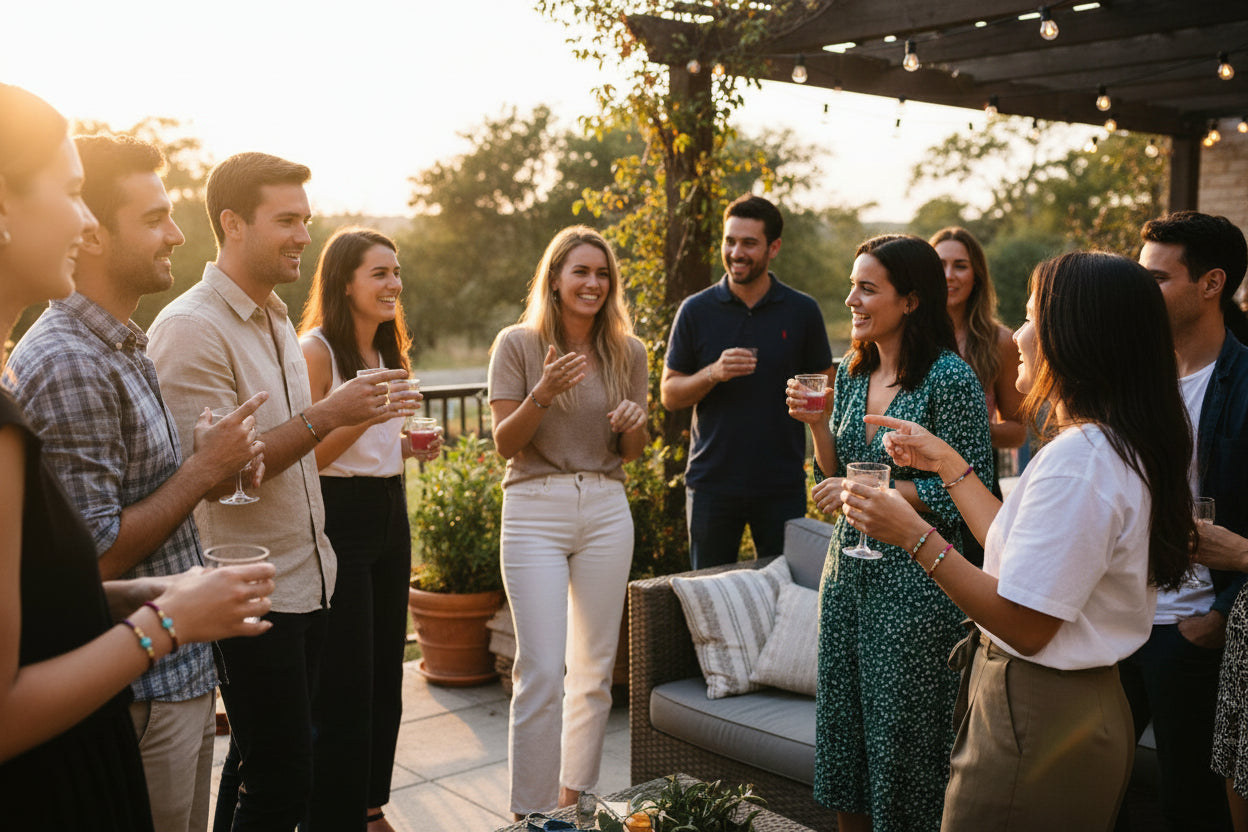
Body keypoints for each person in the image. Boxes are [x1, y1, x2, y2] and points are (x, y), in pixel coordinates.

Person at [0, 83, 274, 831]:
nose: (176, 235)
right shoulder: (67, 362)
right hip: (137, 693)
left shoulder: (124, 343)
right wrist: (167, 617)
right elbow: (90, 556)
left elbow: (50, 574)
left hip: (169, 675)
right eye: (74, 194)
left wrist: (179, 590)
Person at [843, 251, 1194, 831]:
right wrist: (947, 462)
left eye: (1031, 316)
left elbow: (1026, 624)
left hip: (1041, 712)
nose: (1019, 335)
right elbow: (1018, 550)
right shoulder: (1109, 443)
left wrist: (913, 534)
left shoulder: (1080, 462)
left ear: (1074, 337)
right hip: (1069, 705)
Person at [147, 152, 407, 831]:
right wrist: (332, 414)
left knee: (265, 766)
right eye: (286, 220)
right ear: (232, 223)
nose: (303, 235)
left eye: (306, 220)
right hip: (246, 587)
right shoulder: (190, 327)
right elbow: (214, 475)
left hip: (306, 578)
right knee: (283, 776)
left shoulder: (273, 316)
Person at [786, 233, 992, 832]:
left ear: (911, 300)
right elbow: (834, 472)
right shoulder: (851, 373)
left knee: (905, 752)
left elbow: (974, 497)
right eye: (852, 284)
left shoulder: (949, 381)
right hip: (847, 578)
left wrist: (885, 494)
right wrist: (819, 426)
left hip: (916, 592)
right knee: (847, 739)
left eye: (867, 287)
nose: (851, 297)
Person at [488, 225, 648, 817]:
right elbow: (507, 443)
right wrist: (543, 393)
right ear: (555, 279)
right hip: (535, 508)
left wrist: (632, 420)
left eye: (602, 274)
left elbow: (633, 449)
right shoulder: (518, 344)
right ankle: (529, 814)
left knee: (594, 668)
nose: (593, 283)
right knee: (540, 670)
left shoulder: (627, 351)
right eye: (580, 271)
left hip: (606, 506)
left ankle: (572, 798)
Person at [298, 227, 438, 832]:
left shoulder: (387, 353)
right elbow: (308, 457)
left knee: (386, 669)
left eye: (396, 272)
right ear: (344, 282)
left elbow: (374, 443)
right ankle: (334, 813)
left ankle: (370, 804)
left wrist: (406, 444)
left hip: (388, 509)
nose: (393, 284)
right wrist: (372, 415)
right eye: (379, 273)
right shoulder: (317, 351)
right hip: (339, 517)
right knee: (347, 677)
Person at [1131, 210, 1248, 832]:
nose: (1141, 291)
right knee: (1098, 791)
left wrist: (1222, 615)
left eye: (1156, 279)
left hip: (1194, 630)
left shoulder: (1246, 381)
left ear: (1211, 284)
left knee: (1190, 806)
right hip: (1115, 619)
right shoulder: (1131, 377)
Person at [661, 194, 833, 570]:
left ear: (774, 248)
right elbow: (670, 395)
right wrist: (713, 372)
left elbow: (826, 386)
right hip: (711, 483)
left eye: (749, 243)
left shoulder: (802, 310)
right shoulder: (696, 310)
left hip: (781, 481)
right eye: (730, 241)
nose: (736, 252)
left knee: (783, 591)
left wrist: (809, 399)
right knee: (707, 593)